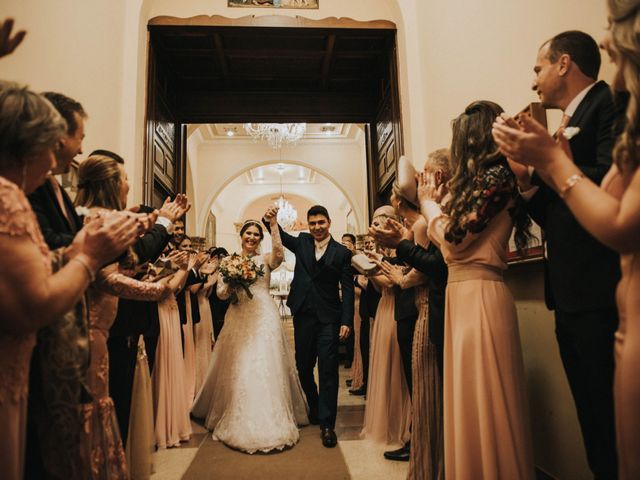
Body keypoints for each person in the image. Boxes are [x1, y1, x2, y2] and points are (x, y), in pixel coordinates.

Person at [493, 3, 640, 477]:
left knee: (616, 429)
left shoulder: (610, 104)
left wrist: (550, 166)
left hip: (601, 288)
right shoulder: (563, 125)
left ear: (563, 63)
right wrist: (528, 180)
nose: (534, 80)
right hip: (572, 292)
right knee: (594, 419)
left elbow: (604, 187)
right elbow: (561, 215)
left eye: (538, 67)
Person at [0, 81, 139, 480]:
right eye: (57, 143)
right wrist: (90, 256)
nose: (75, 152)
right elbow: (36, 302)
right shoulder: (11, 198)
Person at [419, 100, 534, 479]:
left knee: (483, 395)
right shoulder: (476, 185)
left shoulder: (497, 178)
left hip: (480, 294)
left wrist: (429, 207)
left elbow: (454, 240)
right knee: (467, 399)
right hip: (461, 295)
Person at [74, 154, 193, 478]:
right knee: (100, 408)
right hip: (97, 330)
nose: (129, 184)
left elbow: (128, 263)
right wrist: (159, 288)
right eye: (124, 179)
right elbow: (113, 274)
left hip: (107, 328)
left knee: (111, 409)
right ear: (112, 185)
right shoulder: (98, 220)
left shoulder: (97, 217)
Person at [192, 209, 309, 453]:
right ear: (241, 235)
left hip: (263, 315)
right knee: (239, 363)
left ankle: (271, 417)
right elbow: (222, 294)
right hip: (238, 316)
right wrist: (234, 284)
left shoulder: (267, 259)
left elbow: (279, 253)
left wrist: (273, 225)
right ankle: (236, 411)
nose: (252, 237)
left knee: (266, 362)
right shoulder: (228, 262)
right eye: (249, 233)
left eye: (256, 234)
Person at [370, 149, 450, 479]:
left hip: (424, 307)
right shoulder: (420, 224)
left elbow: (426, 270)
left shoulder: (420, 226)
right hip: (422, 305)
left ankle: (427, 448)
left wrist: (397, 276)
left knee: (423, 382)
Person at [262, 205, 353, 448]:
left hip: (329, 318)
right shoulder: (302, 242)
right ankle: (314, 405)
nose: (317, 227)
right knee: (303, 367)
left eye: (321, 222)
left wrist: (346, 321)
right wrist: (269, 221)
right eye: (312, 223)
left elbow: (348, 290)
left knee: (328, 369)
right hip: (302, 314)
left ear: (329, 222)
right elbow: (280, 235)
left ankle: (327, 424)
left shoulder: (342, 253)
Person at [360, 206, 412, 448]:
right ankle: (390, 421)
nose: (376, 228)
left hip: (398, 307)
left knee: (400, 367)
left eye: (380, 223)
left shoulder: (405, 243)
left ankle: (405, 424)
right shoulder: (380, 250)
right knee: (385, 363)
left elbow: (395, 282)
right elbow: (383, 287)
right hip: (384, 307)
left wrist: (372, 270)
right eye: (374, 223)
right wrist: (369, 270)